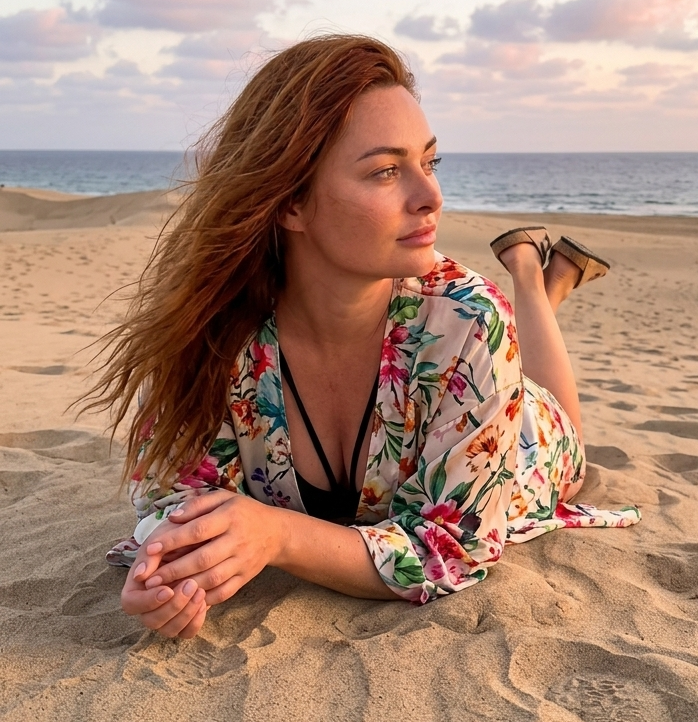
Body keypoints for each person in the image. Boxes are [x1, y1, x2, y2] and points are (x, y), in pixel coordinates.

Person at [90, 34, 639, 639]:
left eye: (429, 163)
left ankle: (535, 284)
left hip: (521, 435)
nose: (431, 196)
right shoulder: (209, 328)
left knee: (568, 442)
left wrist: (277, 535)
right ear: (290, 201)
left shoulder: (469, 321)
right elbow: (173, 498)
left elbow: (450, 548)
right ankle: (540, 285)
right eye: (385, 171)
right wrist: (174, 567)